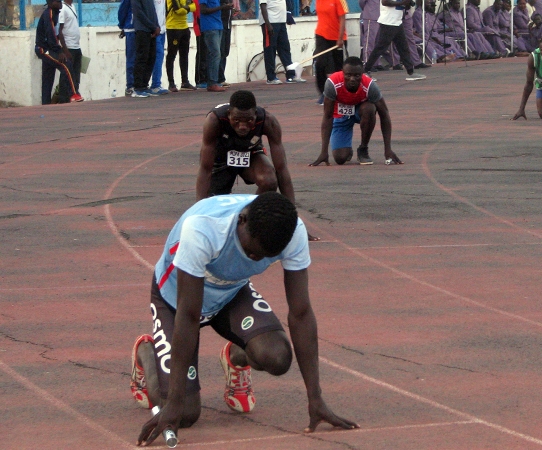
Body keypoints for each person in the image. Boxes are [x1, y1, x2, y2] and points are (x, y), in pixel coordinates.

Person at [131, 192, 359, 446]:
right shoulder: (203, 228)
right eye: (251, 252)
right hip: (176, 301)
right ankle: (148, 353)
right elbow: (189, 315)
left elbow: (301, 313)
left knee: (277, 357)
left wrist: (315, 398)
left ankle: (235, 356)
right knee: (183, 414)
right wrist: (173, 403)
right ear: (242, 220)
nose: (254, 259)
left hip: (230, 292)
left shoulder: (291, 232)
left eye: (263, 257)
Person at [196, 90, 319, 241]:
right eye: (237, 120)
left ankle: (247, 217)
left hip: (250, 154)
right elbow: (205, 169)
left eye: (248, 121)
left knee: (269, 180)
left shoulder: (268, 121)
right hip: (221, 158)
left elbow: (281, 170)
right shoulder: (214, 120)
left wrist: (294, 222)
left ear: (255, 114)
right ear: (228, 114)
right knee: (214, 204)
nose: (242, 126)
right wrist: (198, 216)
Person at [310, 56, 403, 166]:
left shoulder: (369, 85)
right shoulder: (332, 83)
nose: (352, 79)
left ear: (362, 74)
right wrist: (324, 152)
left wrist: (388, 149)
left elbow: (385, 115)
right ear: (342, 73)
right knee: (340, 159)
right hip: (341, 115)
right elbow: (327, 116)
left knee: (369, 108)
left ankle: (363, 149)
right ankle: (347, 150)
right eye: (348, 75)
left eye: (357, 75)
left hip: (361, 112)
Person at [362, 0, 427, 80]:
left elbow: (401, 7)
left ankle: (411, 72)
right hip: (388, 23)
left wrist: (407, 5)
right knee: (380, 48)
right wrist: (402, 3)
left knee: (403, 48)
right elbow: (385, 2)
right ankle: (366, 70)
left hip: (397, 22)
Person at [35, 0, 83, 104]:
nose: (60, 3)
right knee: (66, 65)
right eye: (57, 1)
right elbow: (51, 34)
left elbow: (55, 34)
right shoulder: (49, 14)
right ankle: (73, 94)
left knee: (48, 76)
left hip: (50, 48)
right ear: (51, 3)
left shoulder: (56, 13)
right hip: (44, 50)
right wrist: (60, 51)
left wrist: (59, 49)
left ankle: (46, 103)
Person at [313, 0, 348, 104]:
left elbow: (342, 18)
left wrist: (340, 38)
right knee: (320, 63)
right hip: (321, 34)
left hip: (337, 37)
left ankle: (340, 92)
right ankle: (323, 93)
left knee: (338, 68)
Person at [260, 0, 302, 84]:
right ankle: (271, 77)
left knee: (285, 49)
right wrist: (268, 24)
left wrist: (287, 15)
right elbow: (263, 6)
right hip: (271, 22)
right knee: (270, 50)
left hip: (281, 22)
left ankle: (291, 76)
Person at [199, 0, 232, 92]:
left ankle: (213, 81)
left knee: (216, 54)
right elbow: (203, 10)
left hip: (218, 25)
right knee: (215, 53)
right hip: (210, 26)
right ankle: (212, 82)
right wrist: (222, 7)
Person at [165, 0, 197, 92]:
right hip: (173, 28)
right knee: (171, 55)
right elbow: (178, 10)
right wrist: (187, 7)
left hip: (184, 28)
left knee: (184, 55)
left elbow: (194, 7)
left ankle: (185, 81)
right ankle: (171, 83)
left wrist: (185, 8)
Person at [131, 0, 160, 97]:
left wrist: (156, 26)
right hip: (142, 29)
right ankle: (138, 87)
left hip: (151, 30)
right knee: (142, 58)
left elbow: (153, 11)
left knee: (151, 57)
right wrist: (152, 26)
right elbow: (139, 12)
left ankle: (144, 85)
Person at [57, 0, 84, 101]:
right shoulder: (63, 8)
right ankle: (64, 97)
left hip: (76, 46)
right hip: (69, 47)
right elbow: (59, 30)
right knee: (67, 73)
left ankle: (75, 92)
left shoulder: (72, 6)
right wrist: (65, 49)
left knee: (76, 72)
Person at [149, 0, 170, 95]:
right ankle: (155, 85)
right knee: (158, 55)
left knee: (160, 56)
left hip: (162, 30)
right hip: (155, 30)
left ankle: (156, 83)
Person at [118, 0, 136, 96]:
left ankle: (139, 84)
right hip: (131, 29)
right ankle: (130, 86)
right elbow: (122, 11)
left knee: (140, 58)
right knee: (131, 59)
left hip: (140, 29)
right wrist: (122, 26)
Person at [217, 0, 233, 87]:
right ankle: (219, 78)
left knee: (225, 52)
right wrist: (224, 6)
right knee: (220, 51)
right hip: (220, 25)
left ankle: (221, 77)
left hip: (228, 25)